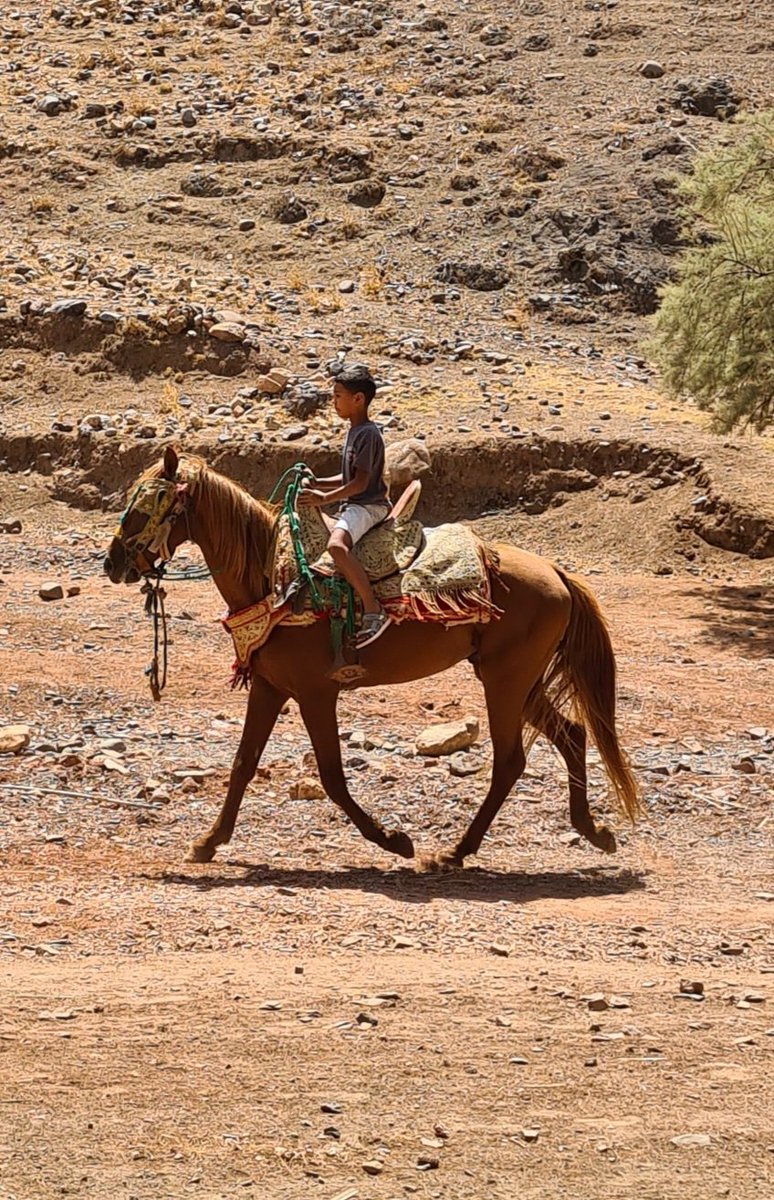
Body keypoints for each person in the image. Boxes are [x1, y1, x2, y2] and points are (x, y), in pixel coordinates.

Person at [298, 364, 392, 647]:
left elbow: (360, 484)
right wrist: (319, 483)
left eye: (338, 396)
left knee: (336, 547)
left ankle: (373, 608)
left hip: (368, 505)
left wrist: (323, 499)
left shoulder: (368, 434)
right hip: (355, 504)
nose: (333, 402)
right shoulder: (355, 431)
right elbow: (350, 477)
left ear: (358, 399)